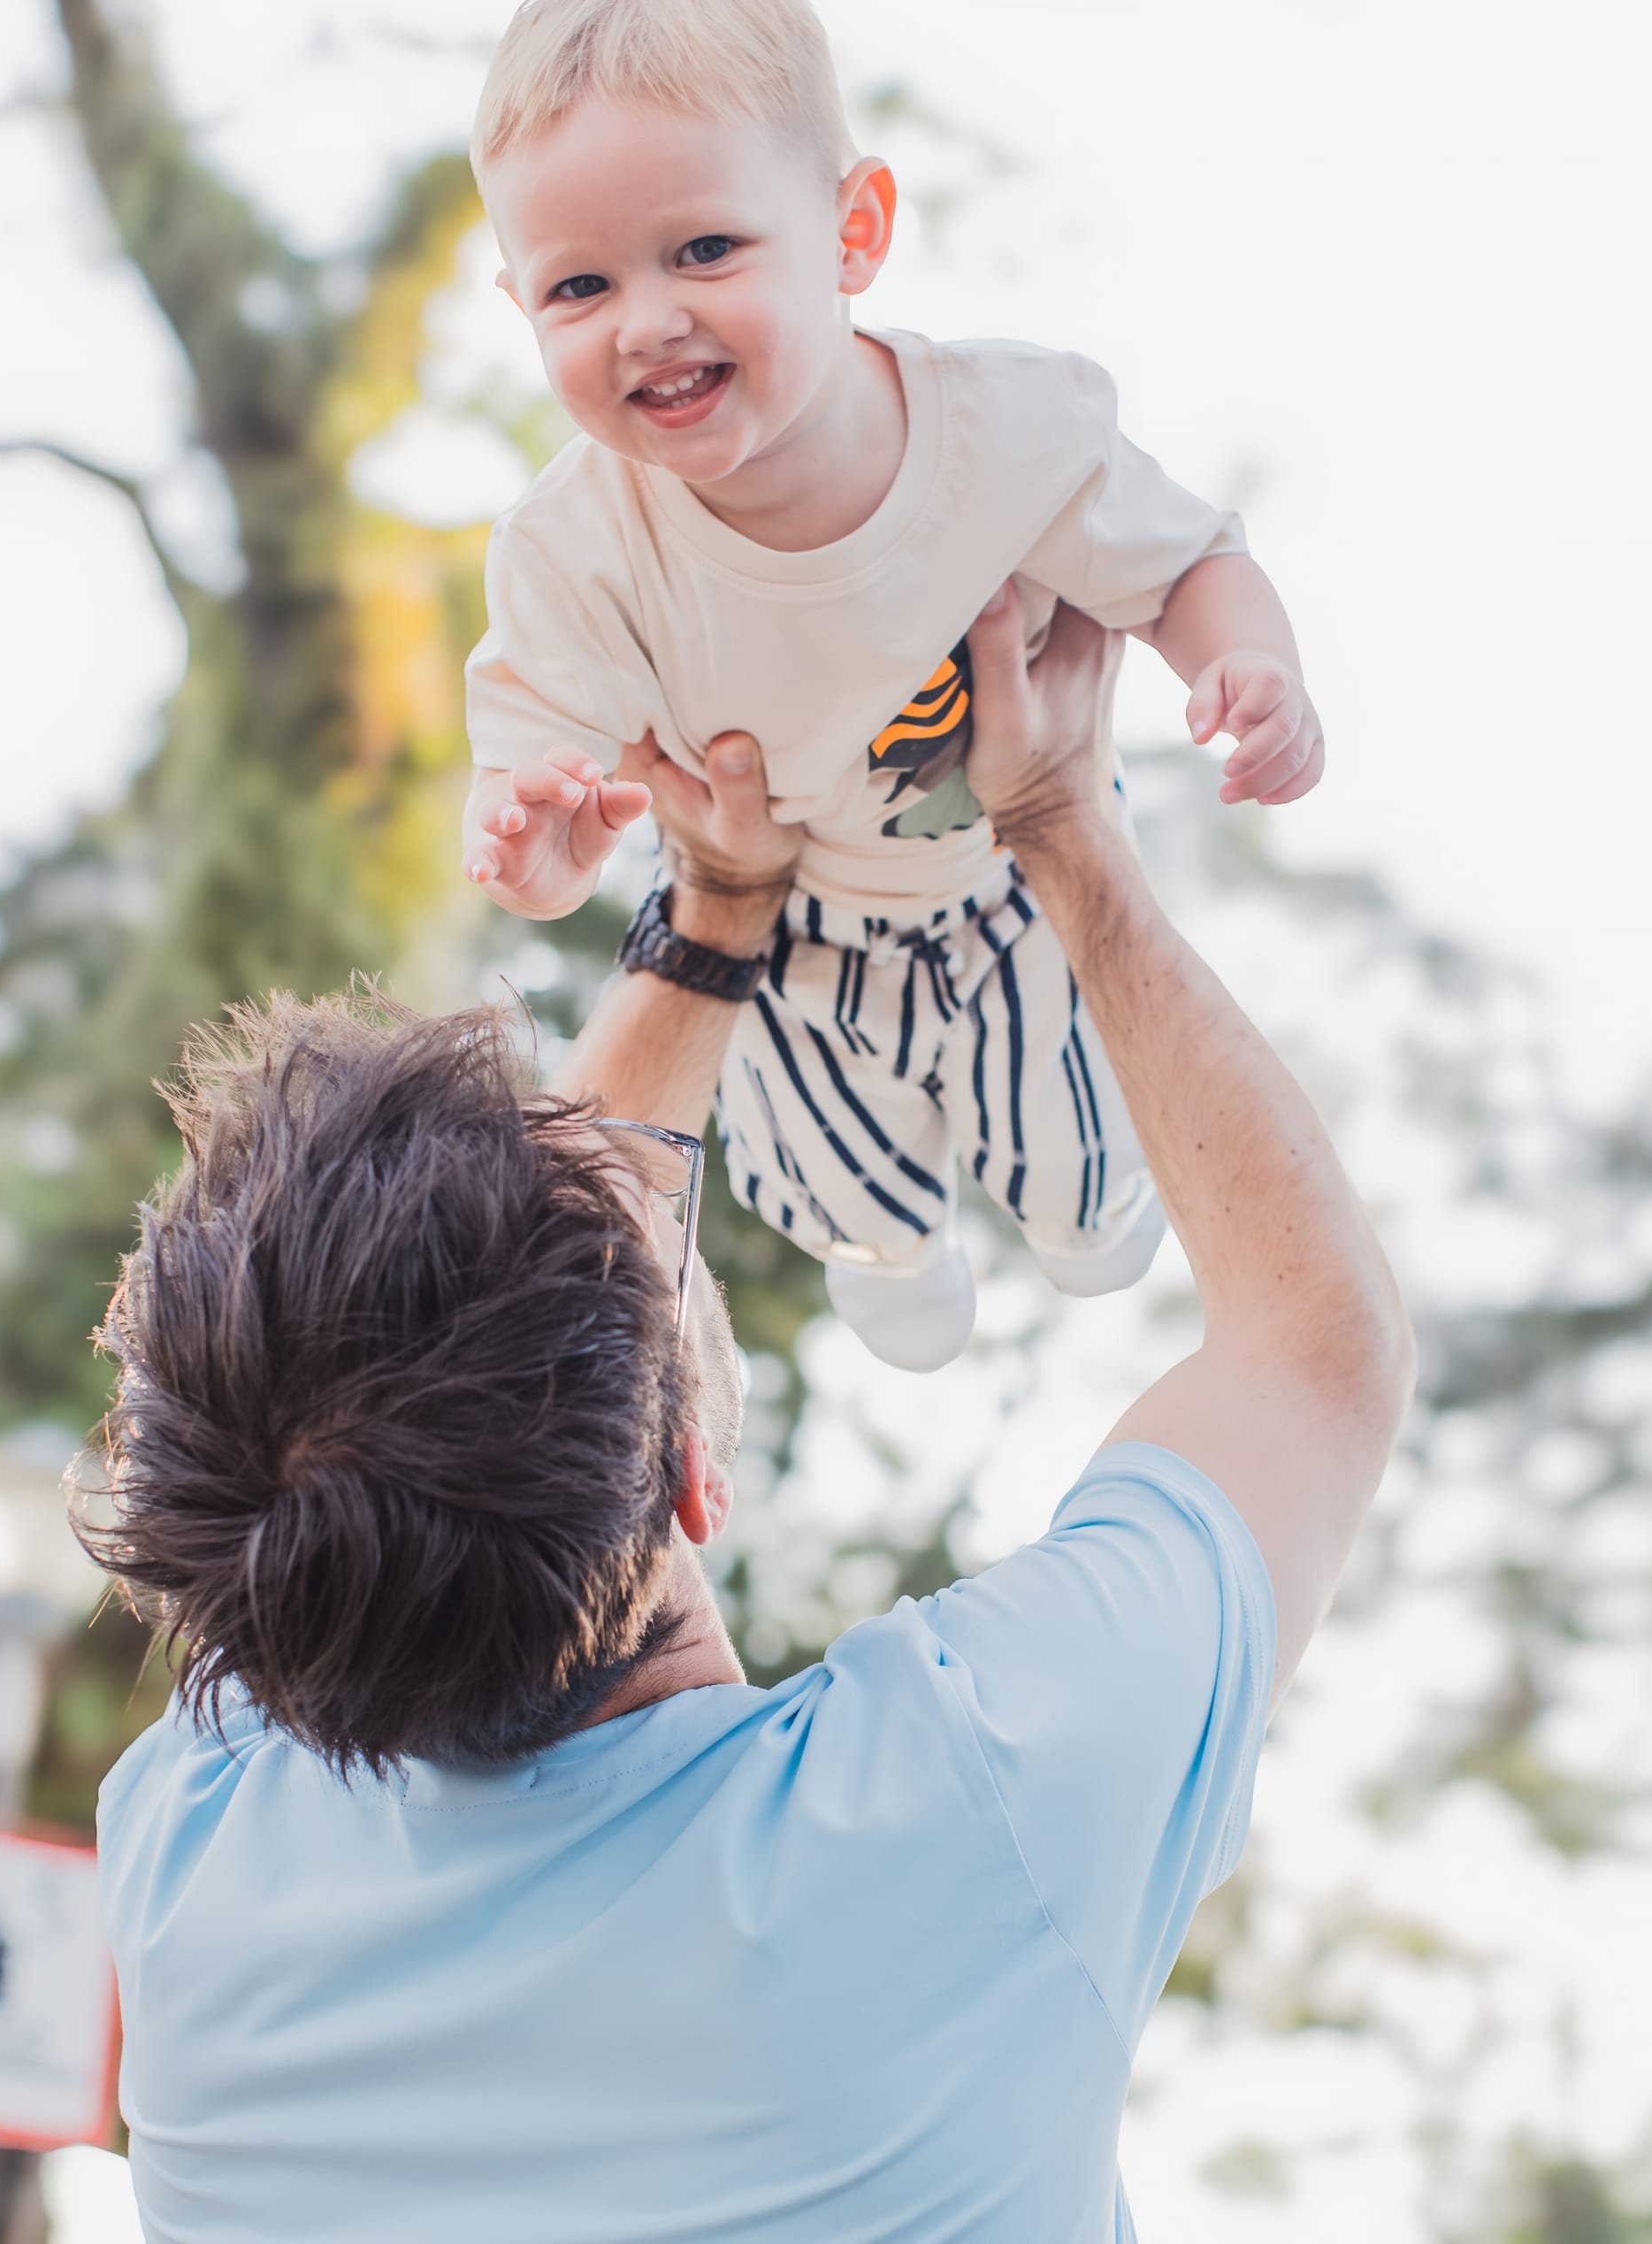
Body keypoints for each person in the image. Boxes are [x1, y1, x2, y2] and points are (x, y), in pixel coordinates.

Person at [79, 594, 1409, 2244]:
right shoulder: (965, 1815)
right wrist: (1062, 824)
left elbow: (432, 1414)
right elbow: (1317, 1347)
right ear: (699, 1474)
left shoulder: (202, 1865)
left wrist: (715, 916)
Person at [459, 0, 1327, 1372]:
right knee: (821, 1167)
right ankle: (886, 1249)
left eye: (706, 250)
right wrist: (544, 857)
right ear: (521, 308)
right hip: (793, 934)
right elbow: (542, 795)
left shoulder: (1010, 433)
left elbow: (1190, 563)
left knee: (1079, 1142)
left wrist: (1247, 669)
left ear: (853, 230)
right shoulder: (574, 551)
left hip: (1007, 886)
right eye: (579, 289)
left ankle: (1092, 1217)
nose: (648, 320)